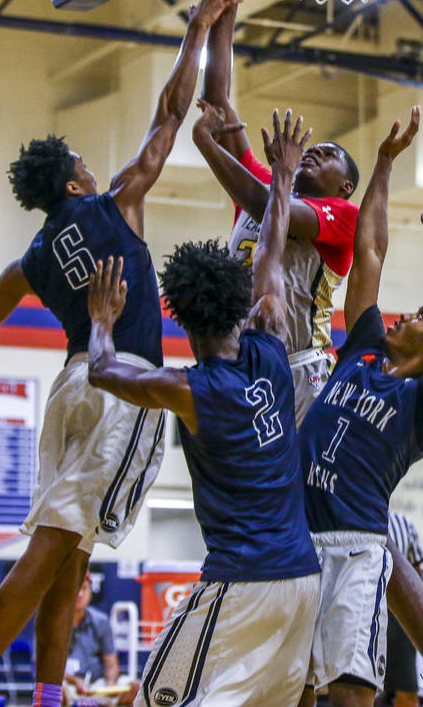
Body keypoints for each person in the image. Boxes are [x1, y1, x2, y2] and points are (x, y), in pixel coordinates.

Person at [0, 0, 249, 707]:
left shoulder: (27, 263)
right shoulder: (115, 200)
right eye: (84, 165)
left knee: (69, 554)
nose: (95, 169)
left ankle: (45, 696)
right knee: (51, 549)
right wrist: (197, 27)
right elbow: (170, 110)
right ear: (74, 179)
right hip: (119, 385)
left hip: (68, 387)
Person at [85, 109, 320, 706]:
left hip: (241, 582)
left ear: (180, 318)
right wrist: (284, 175)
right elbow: (269, 245)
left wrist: (100, 323)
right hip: (302, 581)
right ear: (242, 303)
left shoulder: (187, 388)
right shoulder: (269, 343)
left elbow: (102, 370)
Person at [298, 112, 423, 707]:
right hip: (296, 535)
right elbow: (369, 249)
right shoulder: (363, 351)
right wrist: (382, 163)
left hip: (353, 546)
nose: (406, 314)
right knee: (291, 690)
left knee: (349, 695)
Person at [194, 0, 361, 426]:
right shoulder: (269, 184)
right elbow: (217, 103)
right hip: (238, 355)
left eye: (326, 156)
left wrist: (209, 146)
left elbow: (267, 210)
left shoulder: (345, 216)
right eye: (311, 149)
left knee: (290, 488)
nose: (312, 154)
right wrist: (226, 9)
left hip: (297, 367)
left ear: (344, 186)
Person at [64, 571, 138, 706]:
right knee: (57, 690)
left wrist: (111, 684)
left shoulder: (101, 621)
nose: (80, 594)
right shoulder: (53, 623)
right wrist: (75, 680)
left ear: (90, 592)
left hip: (97, 685)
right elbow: (41, 667)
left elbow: (111, 662)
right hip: (68, 685)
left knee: (136, 688)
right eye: (75, 589)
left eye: (84, 589)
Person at [380, 512, 423, 707]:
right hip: (363, 606)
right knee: (358, 688)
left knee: (406, 690)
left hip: (399, 615)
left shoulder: (403, 523)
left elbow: (416, 574)